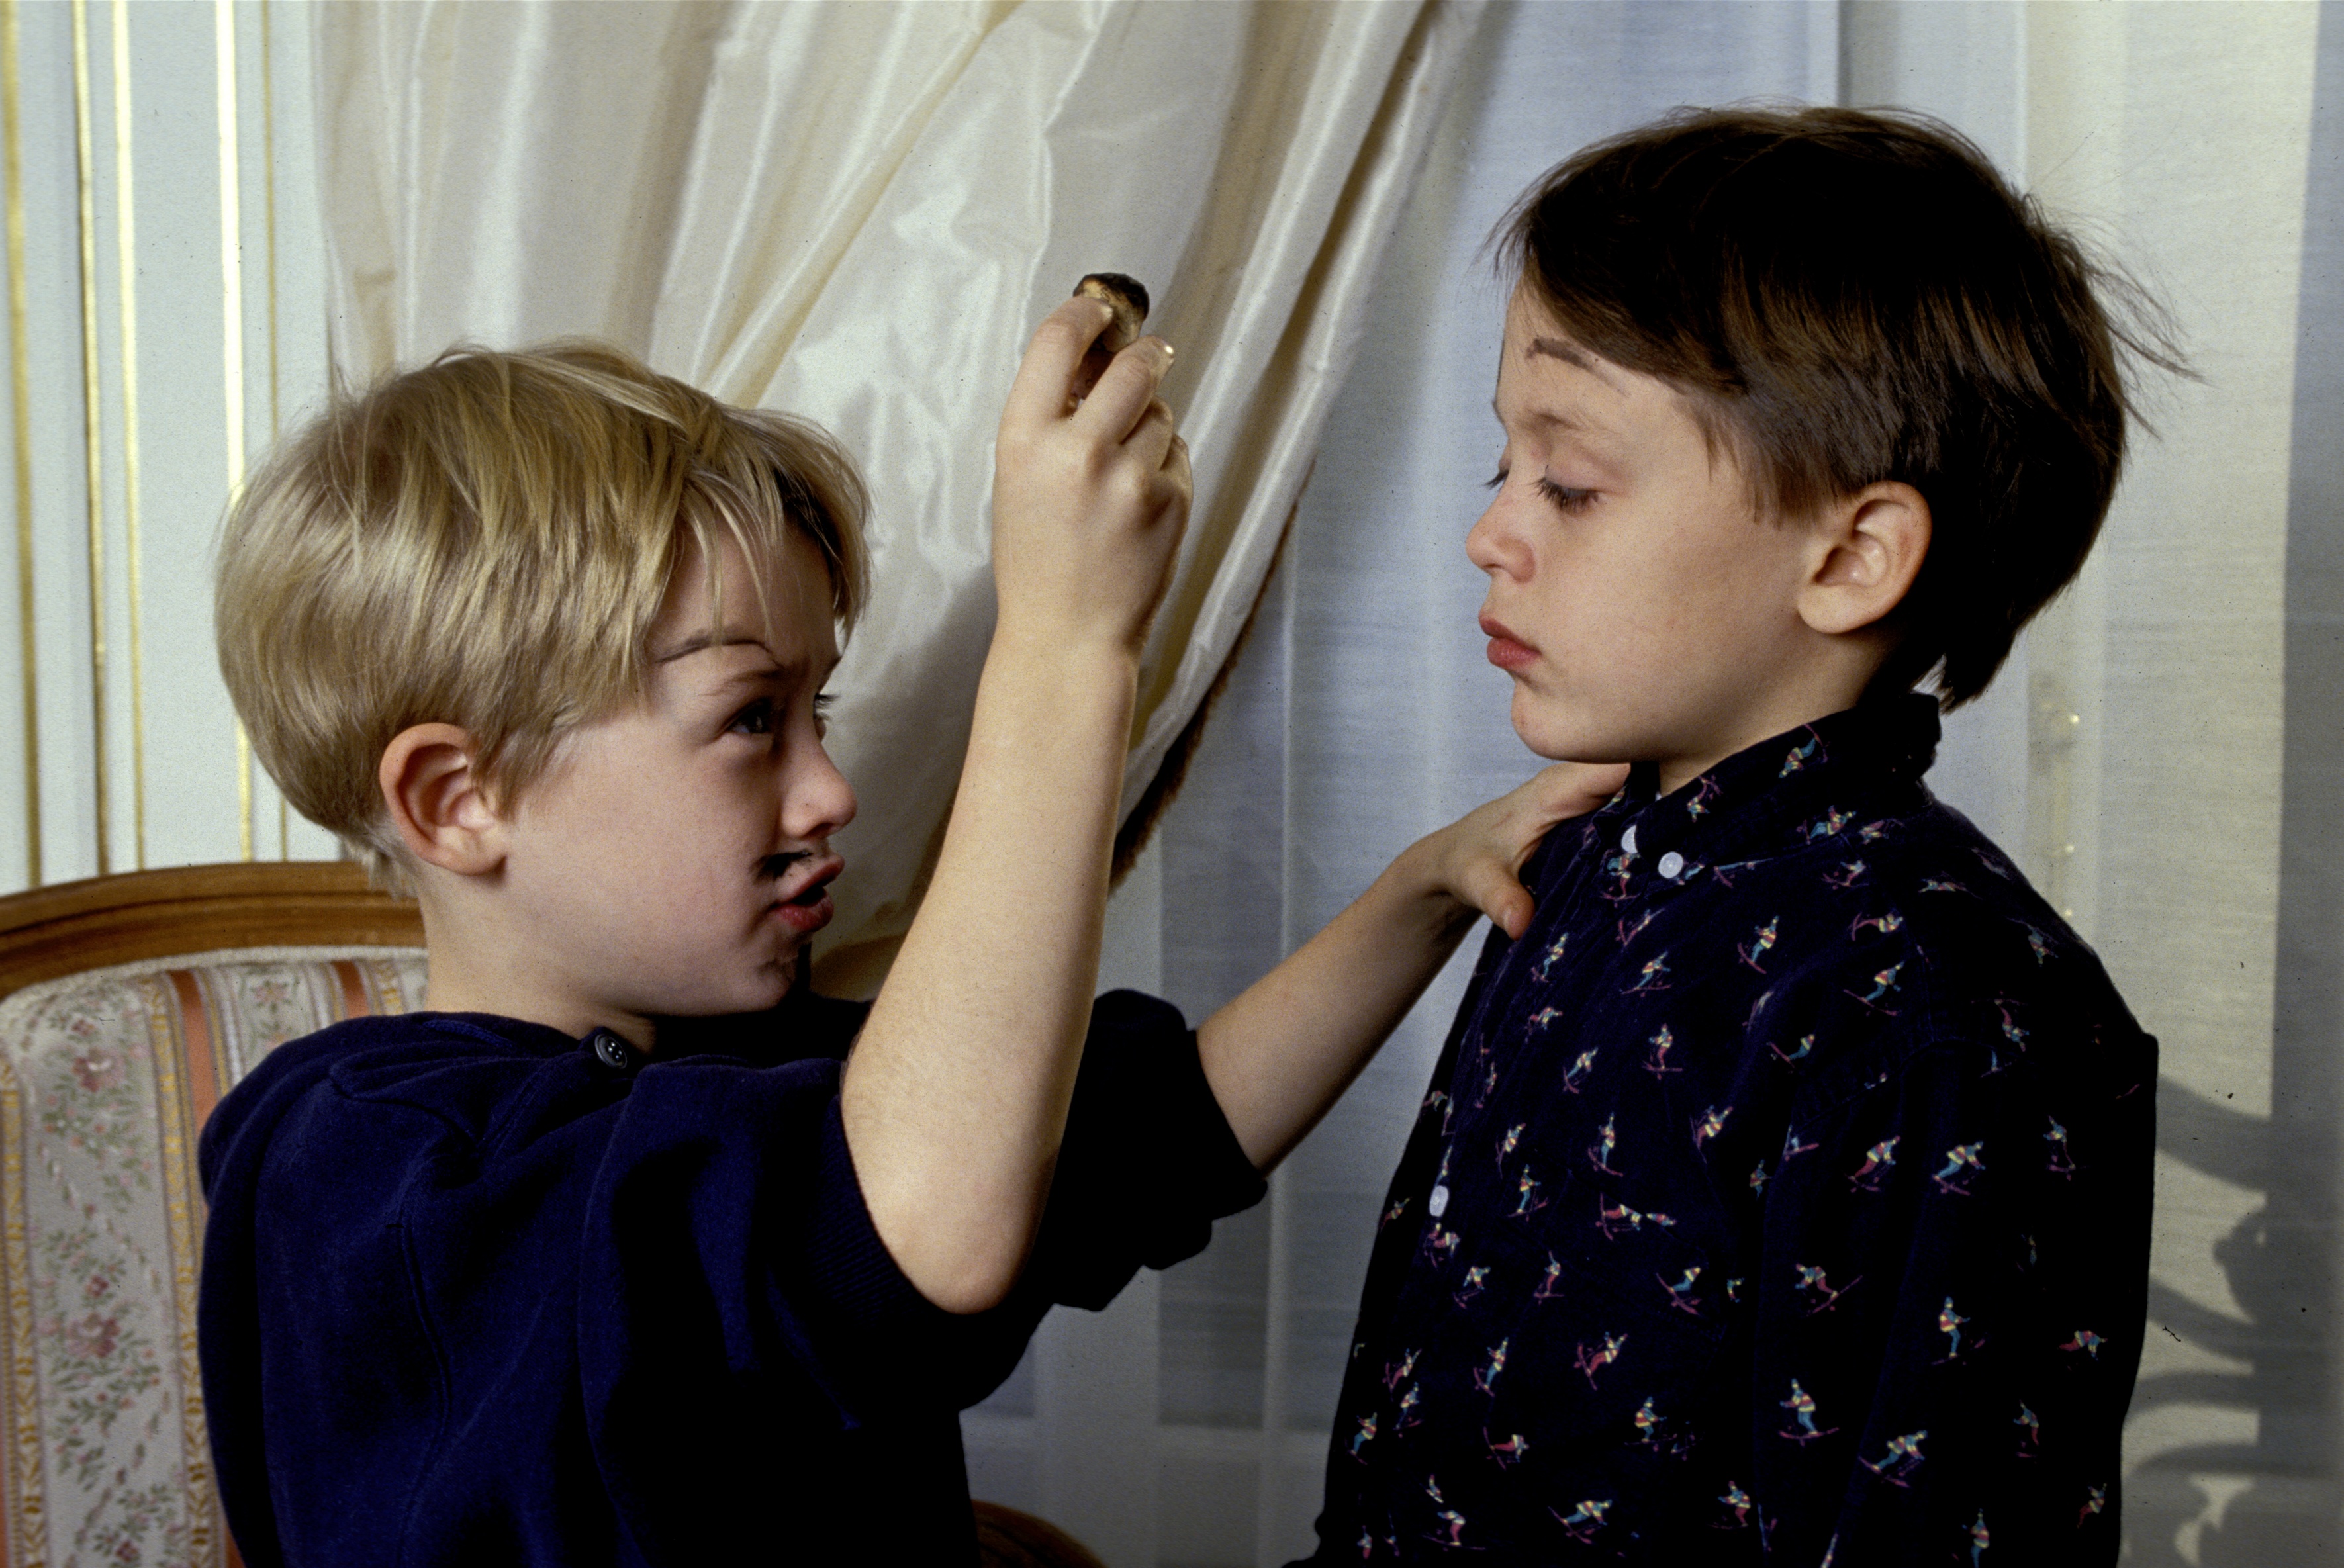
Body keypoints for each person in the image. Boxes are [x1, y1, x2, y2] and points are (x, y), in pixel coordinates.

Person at [199, 307, 1616, 1566]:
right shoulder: (367, 1173)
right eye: (752, 720)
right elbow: (922, 1219)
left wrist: (1421, 891)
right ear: (460, 801)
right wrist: (1066, 643)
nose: (830, 791)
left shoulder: (759, 1082)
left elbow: (1170, 1123)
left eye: (816, 715)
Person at [1289, 106, 2171, 1563]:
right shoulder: (1585, 856)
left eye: (1567, 483)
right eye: (1499, 469)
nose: (1490, 535)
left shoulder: (1940, 1017)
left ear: (1848, 557)